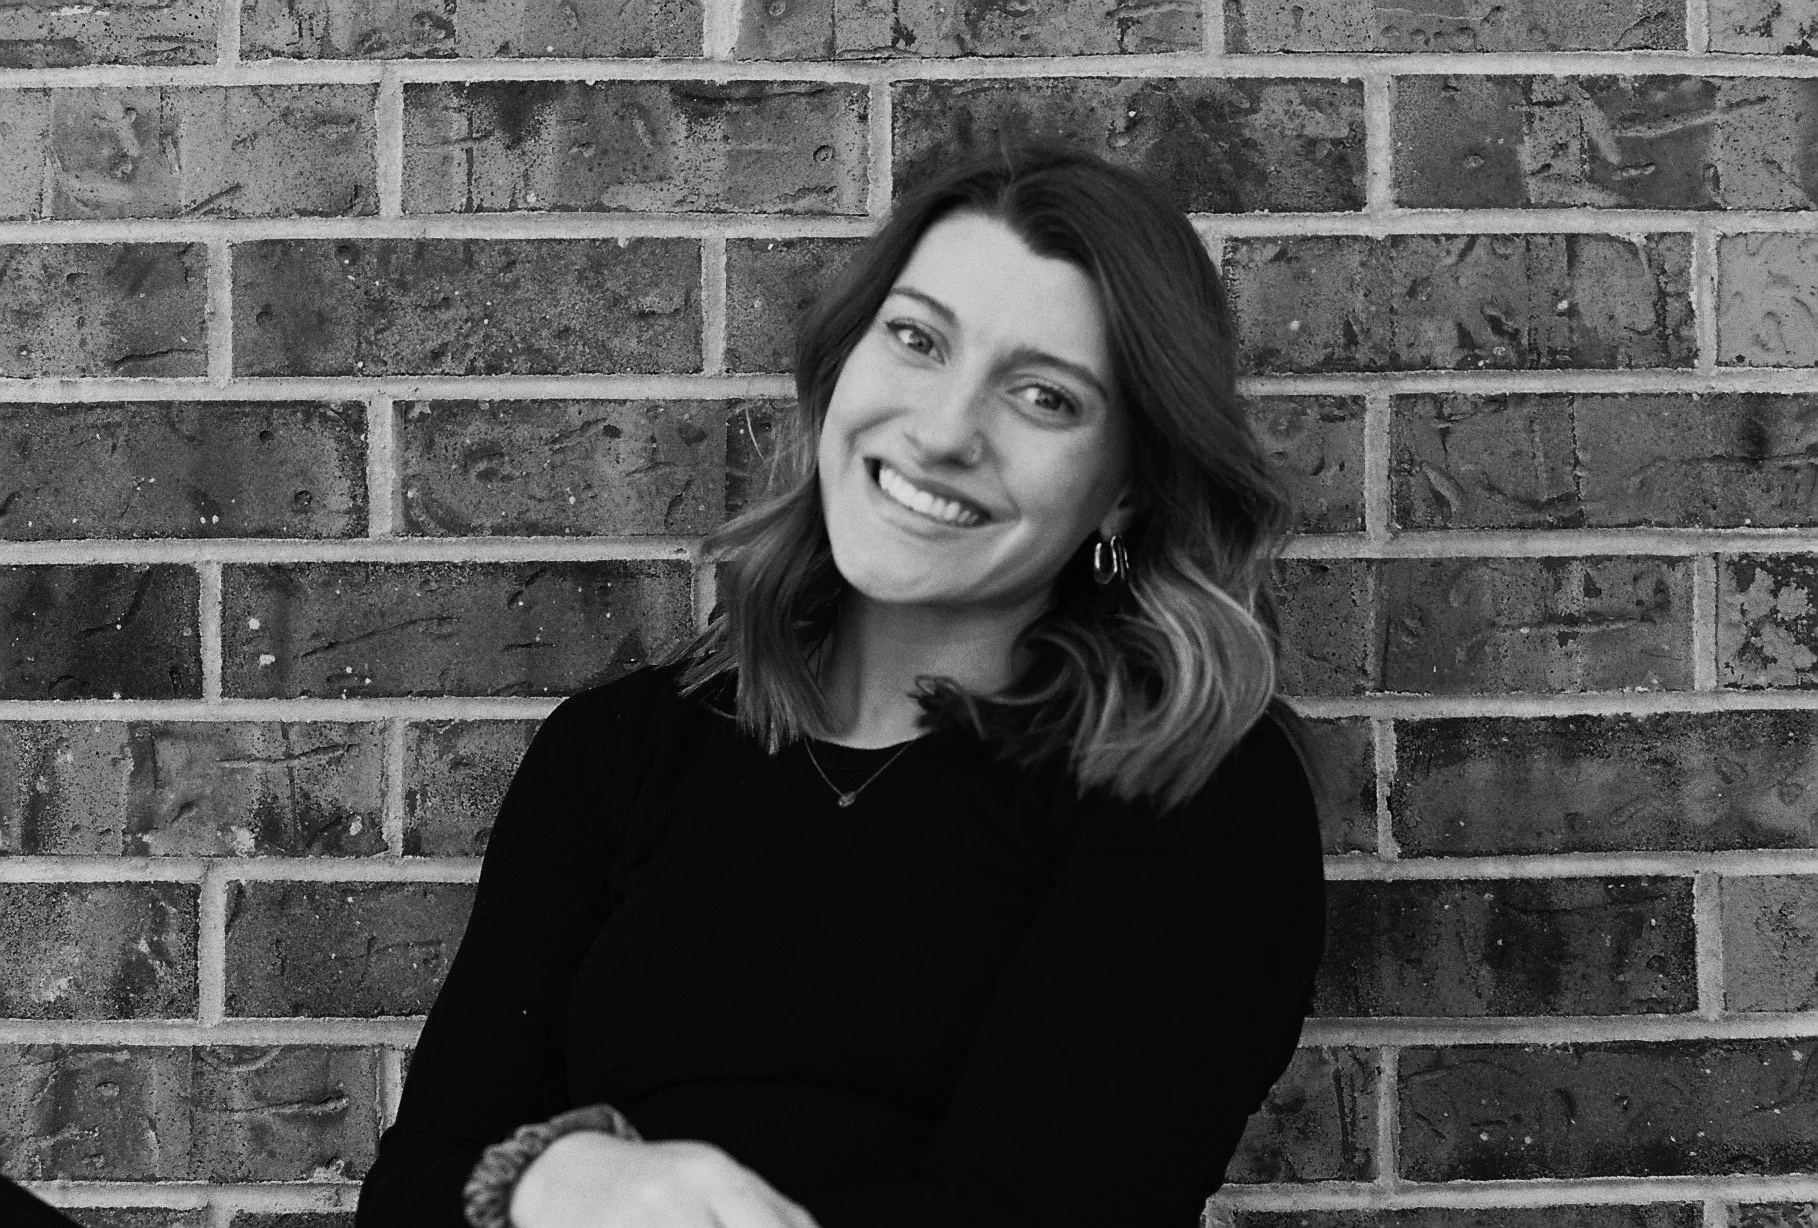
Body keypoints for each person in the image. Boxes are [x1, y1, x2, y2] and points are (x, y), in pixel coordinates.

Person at [355, 143, 1327, 1228]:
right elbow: (413, 1192)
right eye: (917, 339)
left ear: (1127, 491)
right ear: (841, 364)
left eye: (1045, 397)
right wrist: (555, 1180)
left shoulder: (1191, 789)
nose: (944, 431)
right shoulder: (618, 753)